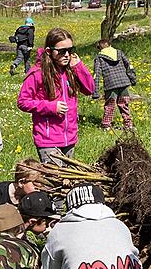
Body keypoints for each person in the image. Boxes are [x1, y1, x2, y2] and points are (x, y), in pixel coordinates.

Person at [17, 27, 95, 165]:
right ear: (49, 51)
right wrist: (51, 107)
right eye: (61, 51)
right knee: (54, 180)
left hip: (70, 138)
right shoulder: (37, 73)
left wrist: (79, 67)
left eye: (70, 50)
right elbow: (23, 101)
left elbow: (90, 89)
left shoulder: (71, 70)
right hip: (48, 140)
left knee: (67, 181)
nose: (66, 55)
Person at [92, 39, 136, 131]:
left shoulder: (99, 58)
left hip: (110, 84)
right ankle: (128, 124)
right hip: (124, 83)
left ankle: (106, 125)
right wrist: (132, 78)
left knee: (110, 105)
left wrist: (95, 92)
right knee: (124, 104)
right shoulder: (119, 53)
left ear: (99, 48)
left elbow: (96, 75)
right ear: (110, 45)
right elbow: (129, 65)